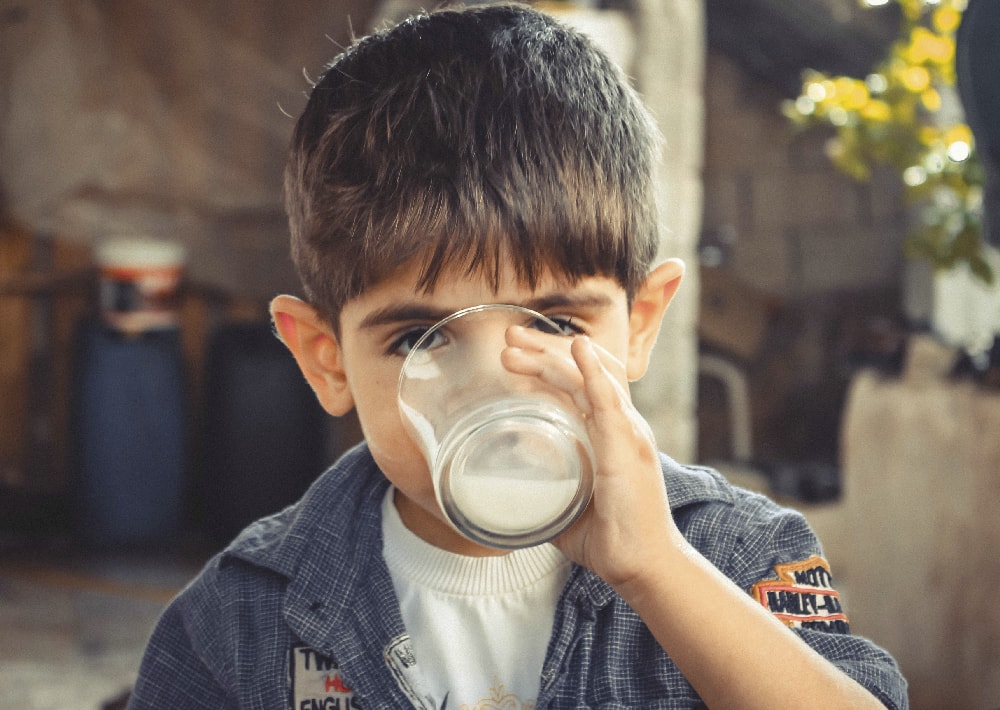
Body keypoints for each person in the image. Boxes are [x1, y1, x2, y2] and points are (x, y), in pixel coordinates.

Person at [127, 4, 907, 708]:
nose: (495, 380)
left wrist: (657, 569)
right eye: (415, 338)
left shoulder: (736, 556)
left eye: (555, 323)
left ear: (638, 325)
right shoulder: (239, 621)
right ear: (326, 359)